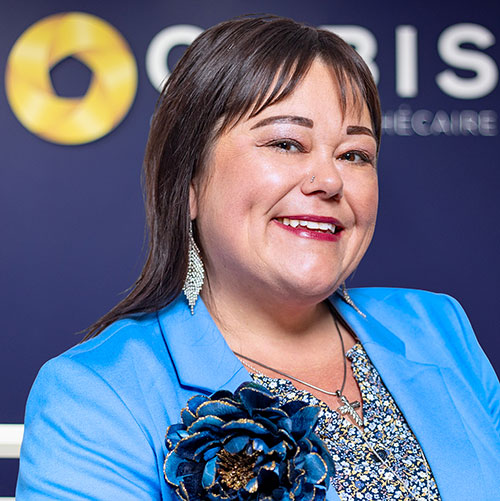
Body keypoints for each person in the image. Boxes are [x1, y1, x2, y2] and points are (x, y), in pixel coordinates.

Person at [16, 15, 499, 501]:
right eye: (286, 144)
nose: (330, 181)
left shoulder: (438, 326)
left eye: (354, 155)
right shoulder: (96, 393)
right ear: (188, 183)